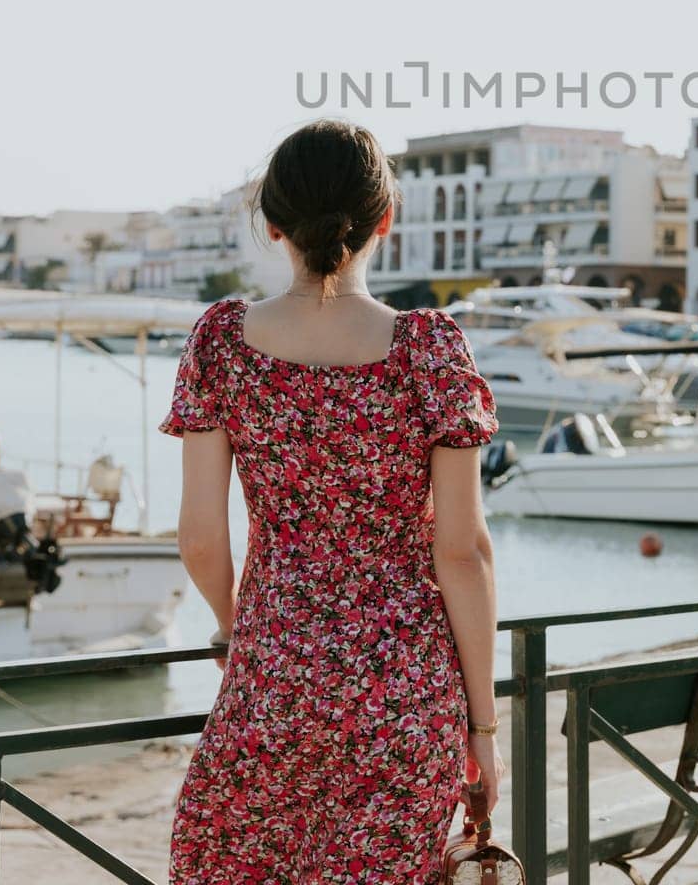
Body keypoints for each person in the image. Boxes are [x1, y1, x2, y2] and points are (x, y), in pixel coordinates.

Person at [159, 120, 501, 883]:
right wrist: (482, 726)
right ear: (386, 218)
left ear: (272, 223)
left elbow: (202, 539)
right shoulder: (429, 348)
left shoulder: (220, 341)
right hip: (404, 691)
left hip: (274, 675)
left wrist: (234, 629)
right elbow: (463, 551)